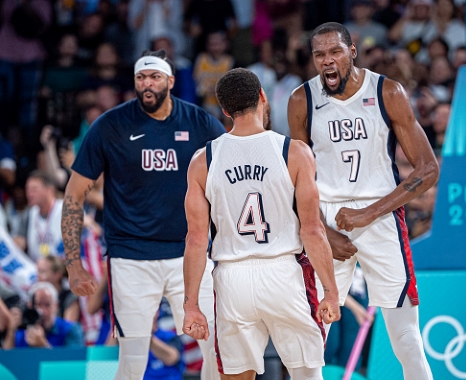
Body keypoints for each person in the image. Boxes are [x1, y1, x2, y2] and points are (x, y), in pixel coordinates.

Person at [61, 49, 226, 380]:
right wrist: (73, 262)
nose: (147, 84)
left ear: (171, 81)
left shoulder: (201, 123)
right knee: (133, 358)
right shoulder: (110, 125)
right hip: (131, 258)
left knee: (215, 350)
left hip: (189, 255)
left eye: (154, 77)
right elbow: (74, 193)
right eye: (140, 78)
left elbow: (230, 184)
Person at [287, 22, 439, 380]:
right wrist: (322, 231)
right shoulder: (301, 100)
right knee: (312, 335)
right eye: (319, 54)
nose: (327, 61)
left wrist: (366, 214)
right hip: (325, 217)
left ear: (352, 52)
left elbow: (428, 169)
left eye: (335, 52)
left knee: (405, 338)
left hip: (381, 215)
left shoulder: (388, 92)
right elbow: (297, 180)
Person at [182, 68, 341, 379]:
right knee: (307, 374)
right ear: (263, 98)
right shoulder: (294, 152)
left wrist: (190, 305)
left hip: (232, 278)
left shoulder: (203, 160)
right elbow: (312, 230)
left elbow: (196, 239)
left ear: (225, 111)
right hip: (284, 272)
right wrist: (330, 290)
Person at [3, 281, 84, 349]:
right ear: (30, 306)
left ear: (56, 306)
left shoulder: (71, 330)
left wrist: (44, 346)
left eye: (47, 305)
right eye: (38, 305)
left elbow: (73, 364)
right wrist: (11, 331)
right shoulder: (22, 332)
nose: (42, 311)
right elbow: (7, 363)